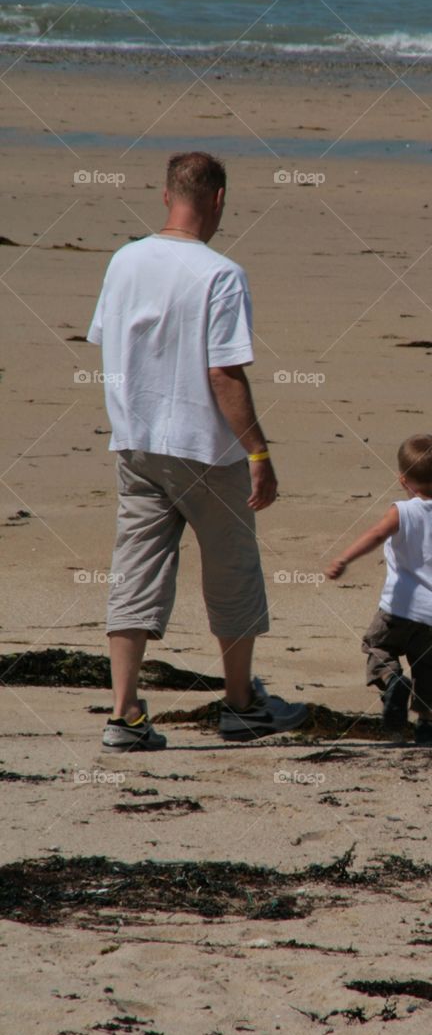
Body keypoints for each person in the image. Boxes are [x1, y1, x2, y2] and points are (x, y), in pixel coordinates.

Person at [87, 151, 307, 751]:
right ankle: (240, 707)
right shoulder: (220, 273)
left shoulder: (124, 260)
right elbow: (224, 374)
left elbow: (110, 342)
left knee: (134, 574)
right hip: (205, 449)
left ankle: (125, 714)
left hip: (137, 443)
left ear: (165, 197)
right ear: (217, 201)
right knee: (233, 573)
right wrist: (258, 453)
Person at [325, 434, 432, 745]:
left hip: (399, 609)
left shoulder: (401, 511)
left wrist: (344, 558)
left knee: (377, 646)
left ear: (402, 481)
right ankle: (427, 728)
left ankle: (392, 679)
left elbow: (374, 535)